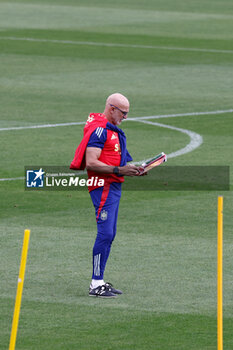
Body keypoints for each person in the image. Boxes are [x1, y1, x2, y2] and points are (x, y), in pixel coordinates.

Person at [70, 93, 140, 298]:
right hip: (103, 186)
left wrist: (136, 169)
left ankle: (99, 280)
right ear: (111, 108)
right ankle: (95, 283)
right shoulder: (100, 130)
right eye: (123, 112)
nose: (125, 117)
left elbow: (119, 162)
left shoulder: (113, 131)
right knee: (106, 233)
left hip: (113, 186)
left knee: (111, 233)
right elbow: (91, 162)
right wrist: (120, 170)